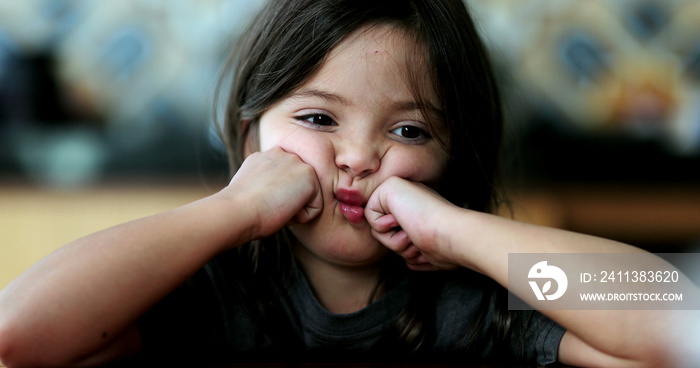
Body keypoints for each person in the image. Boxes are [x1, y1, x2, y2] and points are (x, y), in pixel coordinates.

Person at [0, 0, 696, 367]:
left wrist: (457, 231)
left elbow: (680, 325)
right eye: (316, 117)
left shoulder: (476, 303)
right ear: (252, 137)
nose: (358, 157)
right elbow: (16, 335)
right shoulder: (208, 288)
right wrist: (232, 209)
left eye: (410, 131)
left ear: (453, 160)